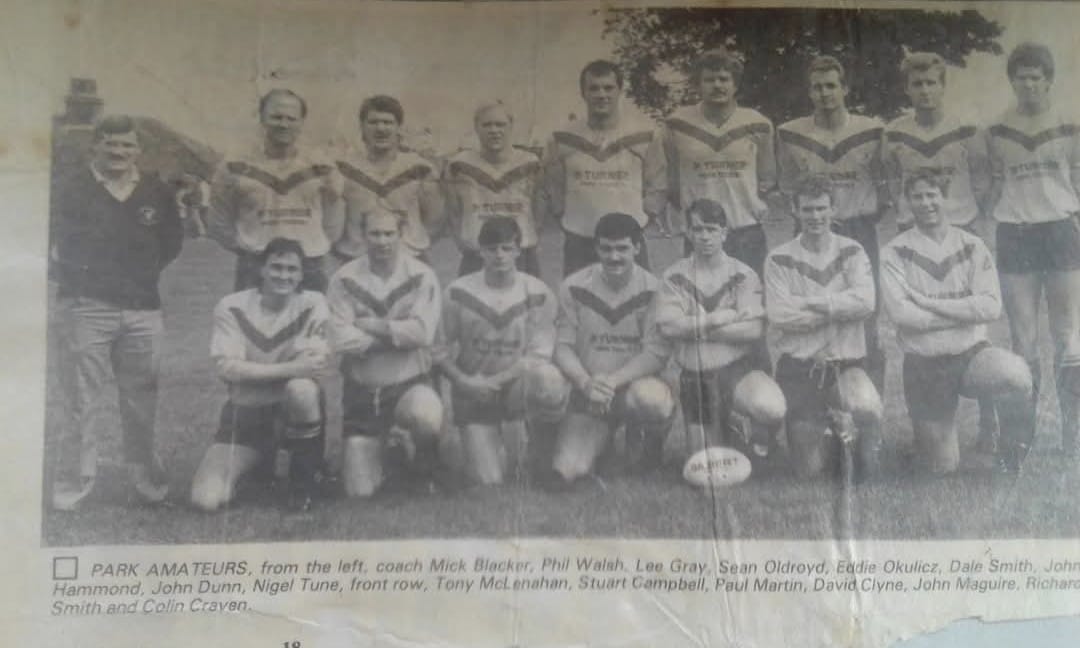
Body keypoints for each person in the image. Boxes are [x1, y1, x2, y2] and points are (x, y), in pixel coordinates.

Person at [49, 114, 183, 510]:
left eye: (127, 145)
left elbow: (171, 243)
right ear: (96, 146)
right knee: (80, 399)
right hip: (86, 308)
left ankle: (145, 483)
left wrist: (137, 276)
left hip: (142, 310)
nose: (119, 152)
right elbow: (54, 246)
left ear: (138, 150)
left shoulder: (155, 190)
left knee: (141, 399)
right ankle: (73, 485)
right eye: (111, 143)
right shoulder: (71, 189)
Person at [882, 51, 999, 453]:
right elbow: (890, 181)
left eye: (932, 82)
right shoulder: (894, 133)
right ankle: (928, 419)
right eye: (917, 84)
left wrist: (973, 223)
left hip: (961, 226)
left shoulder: (969, 127)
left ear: (943, 86)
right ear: (907, 89)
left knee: (975, 327)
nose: (925, 90)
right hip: (911, 232)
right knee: (916, 326)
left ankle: (989, 423)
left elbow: (983, 178)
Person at [882, 171, 1035, 474]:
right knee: (941, 469)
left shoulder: (972, 245)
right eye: (917, 196)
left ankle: (1009, 460)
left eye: (932, 195)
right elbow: (903, 316)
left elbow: (990, 307)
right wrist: (962, 313)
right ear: (907, 202)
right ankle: (925, 446)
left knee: (1015, 375)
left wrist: (930, 305)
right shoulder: (894, 251)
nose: (926, 203)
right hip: (924, 364)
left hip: (970, 355)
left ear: (945, 198)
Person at [985, 42, 1080, 462]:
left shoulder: (1070, 124)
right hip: (1016, 233)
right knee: (1023, 338)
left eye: (1036, 76)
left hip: (1059, 230)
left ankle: (1073, 437)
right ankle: (1020, 440)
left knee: (1068, 335)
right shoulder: (995, 131)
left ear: (1048, 80)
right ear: (1012, 81)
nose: (1028, 84)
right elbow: (989, 186)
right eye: (1021, 77)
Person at [190, 238, 330, 512]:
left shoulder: (314, 302)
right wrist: (289, 369)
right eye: (276, 267)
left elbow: (312, 365)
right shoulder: (231, 305)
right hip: (246, 416)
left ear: (302, 274)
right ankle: (257, 466)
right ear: (261, 270)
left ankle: (303, 483)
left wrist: (257, 373)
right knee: (205, 500)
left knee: (302, 389)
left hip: (290, 411)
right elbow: (227, 368)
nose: (284, 275)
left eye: (292, 269)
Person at [776, 55, 887, 391]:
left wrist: (859, 216)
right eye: (817, 87)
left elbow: (884, 188)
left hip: (858, 229)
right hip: (810, 231)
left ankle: (870, 412)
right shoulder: (789, 133)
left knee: (865, 319)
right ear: (809, 92)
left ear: (845, 89)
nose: (824, 93)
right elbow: (787, 187)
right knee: (809, 317)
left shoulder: (872, 130)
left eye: (831, 86)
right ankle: (817, 404)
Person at [765, 175, 881, 480]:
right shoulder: (779, 258)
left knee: (867, 408)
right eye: (807, 209)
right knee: (809, 472)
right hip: (799, 368)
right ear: (795, 211)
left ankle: (847, 431)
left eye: (821, 209)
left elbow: (866, 303)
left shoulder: (853, 250)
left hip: (845, 364)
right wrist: (840, 307)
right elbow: (779, 314)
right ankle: (829, 431)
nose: (815, 216)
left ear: (833, 209)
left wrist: (812, 303)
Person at [438, 217, 568, 485]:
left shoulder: (538, 292)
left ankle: (541, 456)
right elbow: (437, 349)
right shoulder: (457, 292)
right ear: (480, 251)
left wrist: (494, 382)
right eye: (492, 248)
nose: (499, 255)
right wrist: (465, 382)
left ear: (519, 251)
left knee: (549, 379)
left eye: (507, 248)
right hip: (472, 390)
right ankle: (493, 442)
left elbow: (538, 355)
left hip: (515, 388)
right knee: (489, 481)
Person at [655, 198, 786, 466]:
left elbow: (753, 329)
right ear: (688, 233)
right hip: (696, 377)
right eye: (698, 229)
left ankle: (757, 437)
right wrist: (720, 318)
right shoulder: (673, 276)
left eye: (712, 229)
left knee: (771, 407)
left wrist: (694, 328)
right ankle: (731, 430)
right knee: (702, 468)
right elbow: (668, 326)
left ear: (725, 233)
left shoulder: (744, 274)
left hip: (737, 371)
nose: (705, 236)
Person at [327, 208, 445, 497]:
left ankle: (423, 466)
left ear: (401, 235)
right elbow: (340, 339)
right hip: (362, 391)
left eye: (389, 233)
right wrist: (398, 334)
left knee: (426, 414)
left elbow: (422, 333)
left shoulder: (422, 275)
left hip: (408, 383)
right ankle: (389, 447)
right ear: (362, 236)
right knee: (359, 493)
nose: (382, 241)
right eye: (375, 233)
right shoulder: (343, 279)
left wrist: (371, 325)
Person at [551, 213, 674, 486]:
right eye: (606, 248)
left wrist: (612, 381)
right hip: (589, 391)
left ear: (637, 249)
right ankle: (600, 443)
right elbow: (562, 347)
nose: (614, 257)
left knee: (652, 399)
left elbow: (656, 354)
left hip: (631, 387)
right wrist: (585, 383)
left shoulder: (655, 289)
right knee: (568, 471)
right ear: (596, 249)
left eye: (622, 249)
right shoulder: (573, 286)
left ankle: (646, 446)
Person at [644, 48, 777, 278]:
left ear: (735, 85)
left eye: (724, 79)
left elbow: (767, 178)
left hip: (745, 231)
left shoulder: (758, 124)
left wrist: (747, 204)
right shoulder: (676, 125)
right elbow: (670, 180)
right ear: (698, 84)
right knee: (701, 305)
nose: (717, 85)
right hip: (700, 234)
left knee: (751, 306)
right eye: (709, 79)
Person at [207, 89, 343, 292]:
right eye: (276, 117)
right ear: (261, 119)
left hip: (309, 264)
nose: (284, 124)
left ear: (301, 122)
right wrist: (247, 248)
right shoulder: (234, 165)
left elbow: (334, 217)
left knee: (312, 322)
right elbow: (218, 221)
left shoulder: (322, 166)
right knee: (252, 323)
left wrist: (314, 246)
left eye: (291, 118)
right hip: (255, 263)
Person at [543, 60, 655, 276]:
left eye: (608, 87)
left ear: (620, 90)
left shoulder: (645, 134)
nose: (601, 94)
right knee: (579, 303)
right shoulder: (562, 138)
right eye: (593, 88)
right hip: (580, 240)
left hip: (628, 240)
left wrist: (644, 220)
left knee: (637, 303)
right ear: (583, 93)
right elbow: (552, 186)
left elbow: (657, 183)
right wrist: (565, 219)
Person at [334, 95, 443, 263]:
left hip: (409, 257)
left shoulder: (420, 168)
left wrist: (412, 242)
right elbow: (333, 219)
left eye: (388, 122)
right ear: (362, 127)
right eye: (373, 122)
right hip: (357, 259)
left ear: (399, 128)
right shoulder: (343, 169)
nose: (381, 128)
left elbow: (434, 219)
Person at [444, 101, 543, 276]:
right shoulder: (459, 164)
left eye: (500, 124)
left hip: (520, 252)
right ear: (476, 127)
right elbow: (453, 211)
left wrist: (529, 236)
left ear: (511, 126)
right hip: (477, 252)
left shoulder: (530, 162)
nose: (494, 130)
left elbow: (539, 206)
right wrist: (463, 242)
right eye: (487, 125)